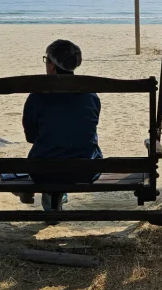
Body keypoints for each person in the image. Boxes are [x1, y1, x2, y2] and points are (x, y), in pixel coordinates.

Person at [20, 39, 102, 214]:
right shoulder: (90, 96)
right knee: (69, 152)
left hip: (43, 171)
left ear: (52, 65)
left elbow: (30, 137)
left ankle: (53, 201)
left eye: (46, 60)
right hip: (85, 171)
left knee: (49, 157)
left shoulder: (37, 96)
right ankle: (57, 198)